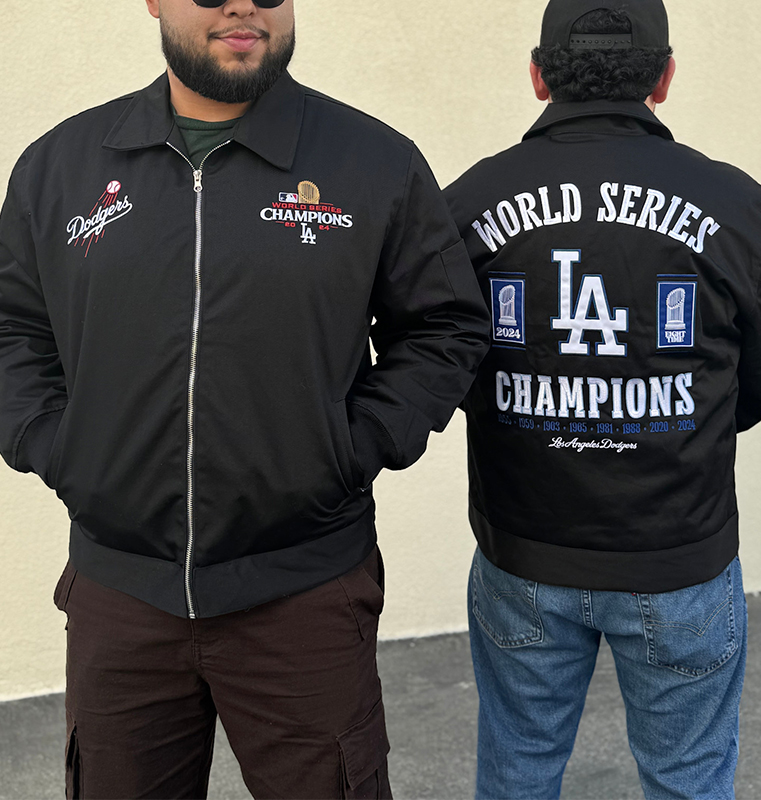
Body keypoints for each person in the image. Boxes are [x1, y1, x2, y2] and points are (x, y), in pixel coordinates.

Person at [0, 1, 490, 797]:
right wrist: (56, 448)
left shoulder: (374, 162)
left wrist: (353, 449)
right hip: (122, 596)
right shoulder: (62, 167)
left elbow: (444, 327)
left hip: (304, 593)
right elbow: (13, 327)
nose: (242, 4)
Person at [444, 1, 761, 798]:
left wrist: (517, 409)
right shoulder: (740, 206)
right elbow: (757, 375)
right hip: (679, 551)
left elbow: (437, 355)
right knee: (688, 781)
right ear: (664, 78)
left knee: (517, 772)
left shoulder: (466, 203)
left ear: (538, 76)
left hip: (524, 549)